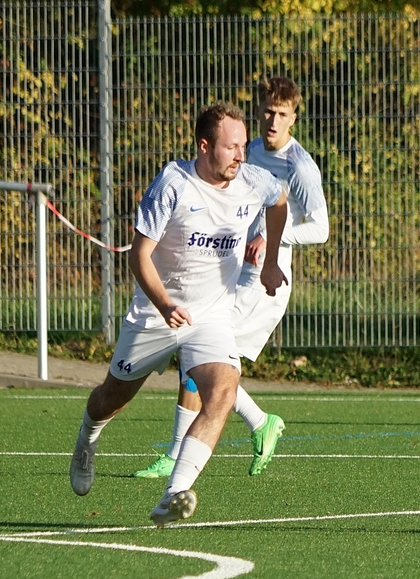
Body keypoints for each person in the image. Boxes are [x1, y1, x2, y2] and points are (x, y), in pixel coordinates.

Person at [68, 101, 289, 527]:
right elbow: (139, 255)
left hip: (211, 317)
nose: (241, 155)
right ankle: (86, 440)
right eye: (231, 147)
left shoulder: (251, 180)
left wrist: (272, 260)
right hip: (157, 314)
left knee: (222, 391)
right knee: (111, 398)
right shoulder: (173, 184)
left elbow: (278, 201)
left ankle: (174, 494)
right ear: (204, 146)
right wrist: (165, 304)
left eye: (244, 145)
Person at [132, 76, 329, 480]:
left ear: (294, 118)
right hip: (229, 271)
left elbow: (321, 229)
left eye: (283, 114)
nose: (273, 121)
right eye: (268, 112)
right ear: (258, 110)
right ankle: (256, 423)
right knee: (197, 352)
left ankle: (185, 450)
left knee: (199, 352)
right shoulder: (247, 151)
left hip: (263, 280)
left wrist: (272, 238)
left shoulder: (300, 167)